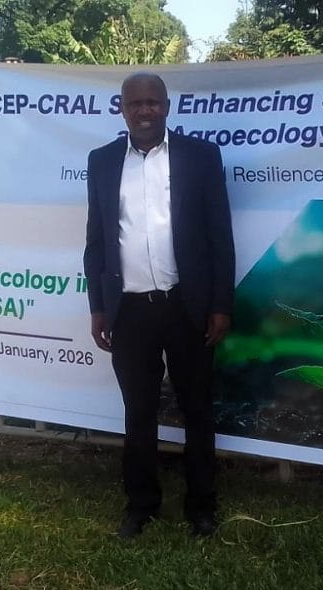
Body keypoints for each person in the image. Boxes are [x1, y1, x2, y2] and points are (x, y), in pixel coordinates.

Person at [83, 72, 236, 539]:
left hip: (186, 307)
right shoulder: (103, 161)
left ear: (167, 106)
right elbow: (97, 240)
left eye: (153, 102)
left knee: (197, 410)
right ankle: (141, 506)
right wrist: (98, 307)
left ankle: (202, 506)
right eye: (135, 103)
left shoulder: (200, 157)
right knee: (139, 412)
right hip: (128, 311)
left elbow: (219, 237)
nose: (144, 110)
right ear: (122, 108)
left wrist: (220, 305)